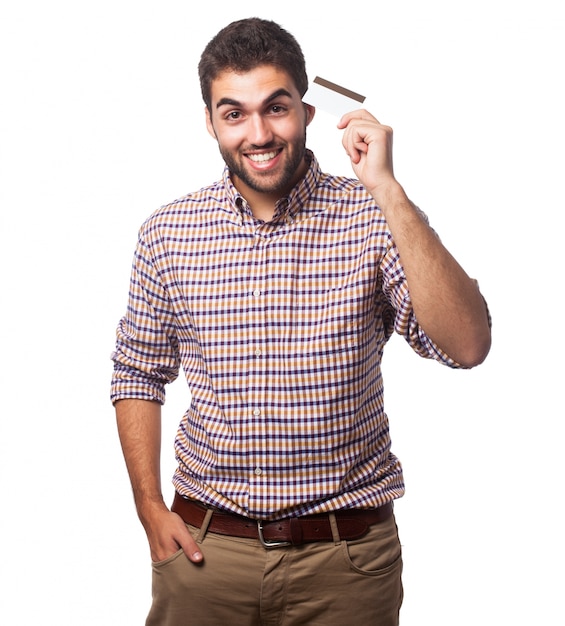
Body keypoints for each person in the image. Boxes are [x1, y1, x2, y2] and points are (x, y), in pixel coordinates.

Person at [110, 17, 491, 626]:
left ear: (308, 113)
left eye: (276, 108)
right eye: (234, 113)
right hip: (207, 554)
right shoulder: (167, 232)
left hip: (346, 565)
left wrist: (388, 189)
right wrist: (149, 506)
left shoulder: (372, 217)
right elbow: (136, 372)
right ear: (210, 122)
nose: (258, 133)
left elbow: (468, 345)